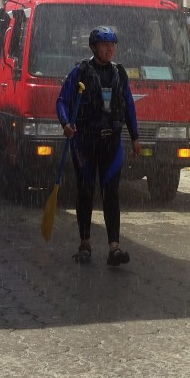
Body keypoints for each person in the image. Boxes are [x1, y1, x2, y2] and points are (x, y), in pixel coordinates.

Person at [56, 26, 142, 267]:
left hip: (111, 142)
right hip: (85, 141)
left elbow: (128, 106)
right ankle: (85, 244)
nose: (109, 49)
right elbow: (62, 101)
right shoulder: (80, 72)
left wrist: (135, 137)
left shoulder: (119, 74)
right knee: (86, 191)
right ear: (94, 47)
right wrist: (66, 123)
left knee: (111, 193)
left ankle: (114, 248)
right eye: (105, 45)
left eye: (112, 45)